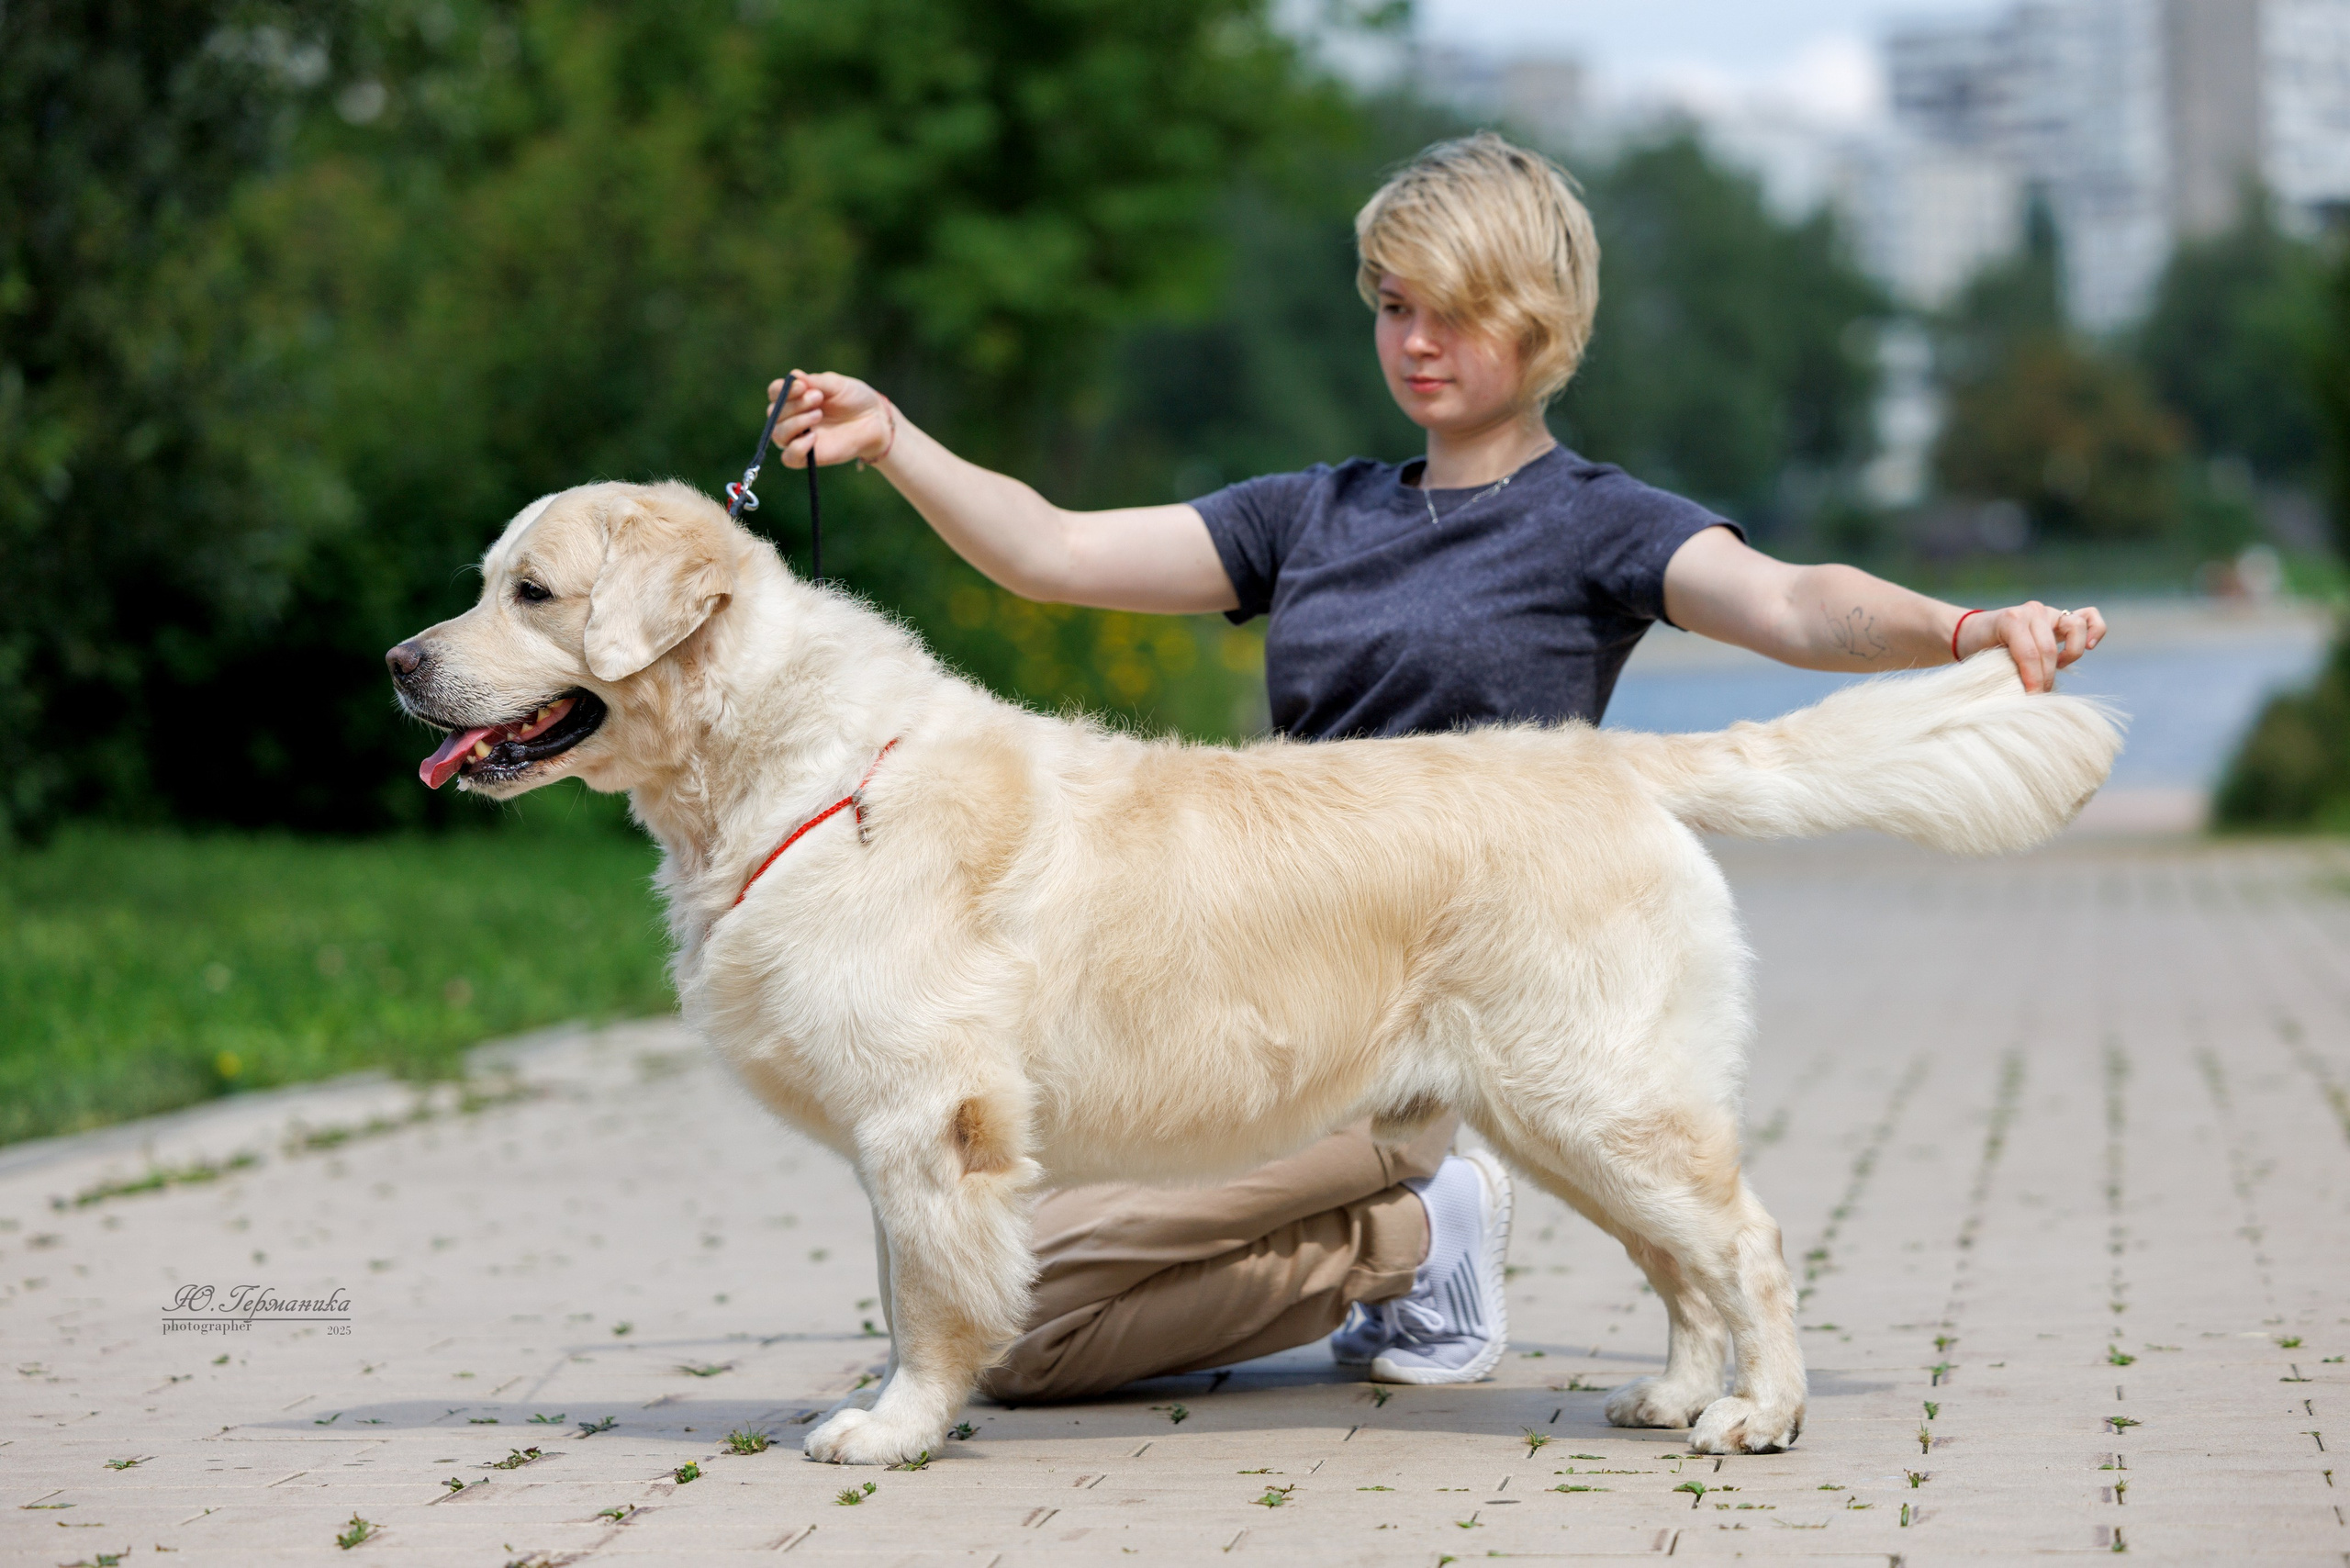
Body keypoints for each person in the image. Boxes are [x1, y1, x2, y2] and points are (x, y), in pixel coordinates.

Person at [757, 133, 2107, 1400]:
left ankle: (1441, 1236)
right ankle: (1411, 1230)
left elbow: (1798, 605)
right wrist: (896, 439)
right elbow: (1051, 551)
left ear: (1541, 320)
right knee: (982, 1287)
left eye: (1453, 311)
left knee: (1013, 1320)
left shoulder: (1597, 522)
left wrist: (1963, 630)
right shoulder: (1312, 511)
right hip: (1251, 1005)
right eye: (1395, 306)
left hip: (1435, 976)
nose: (1415, 342)